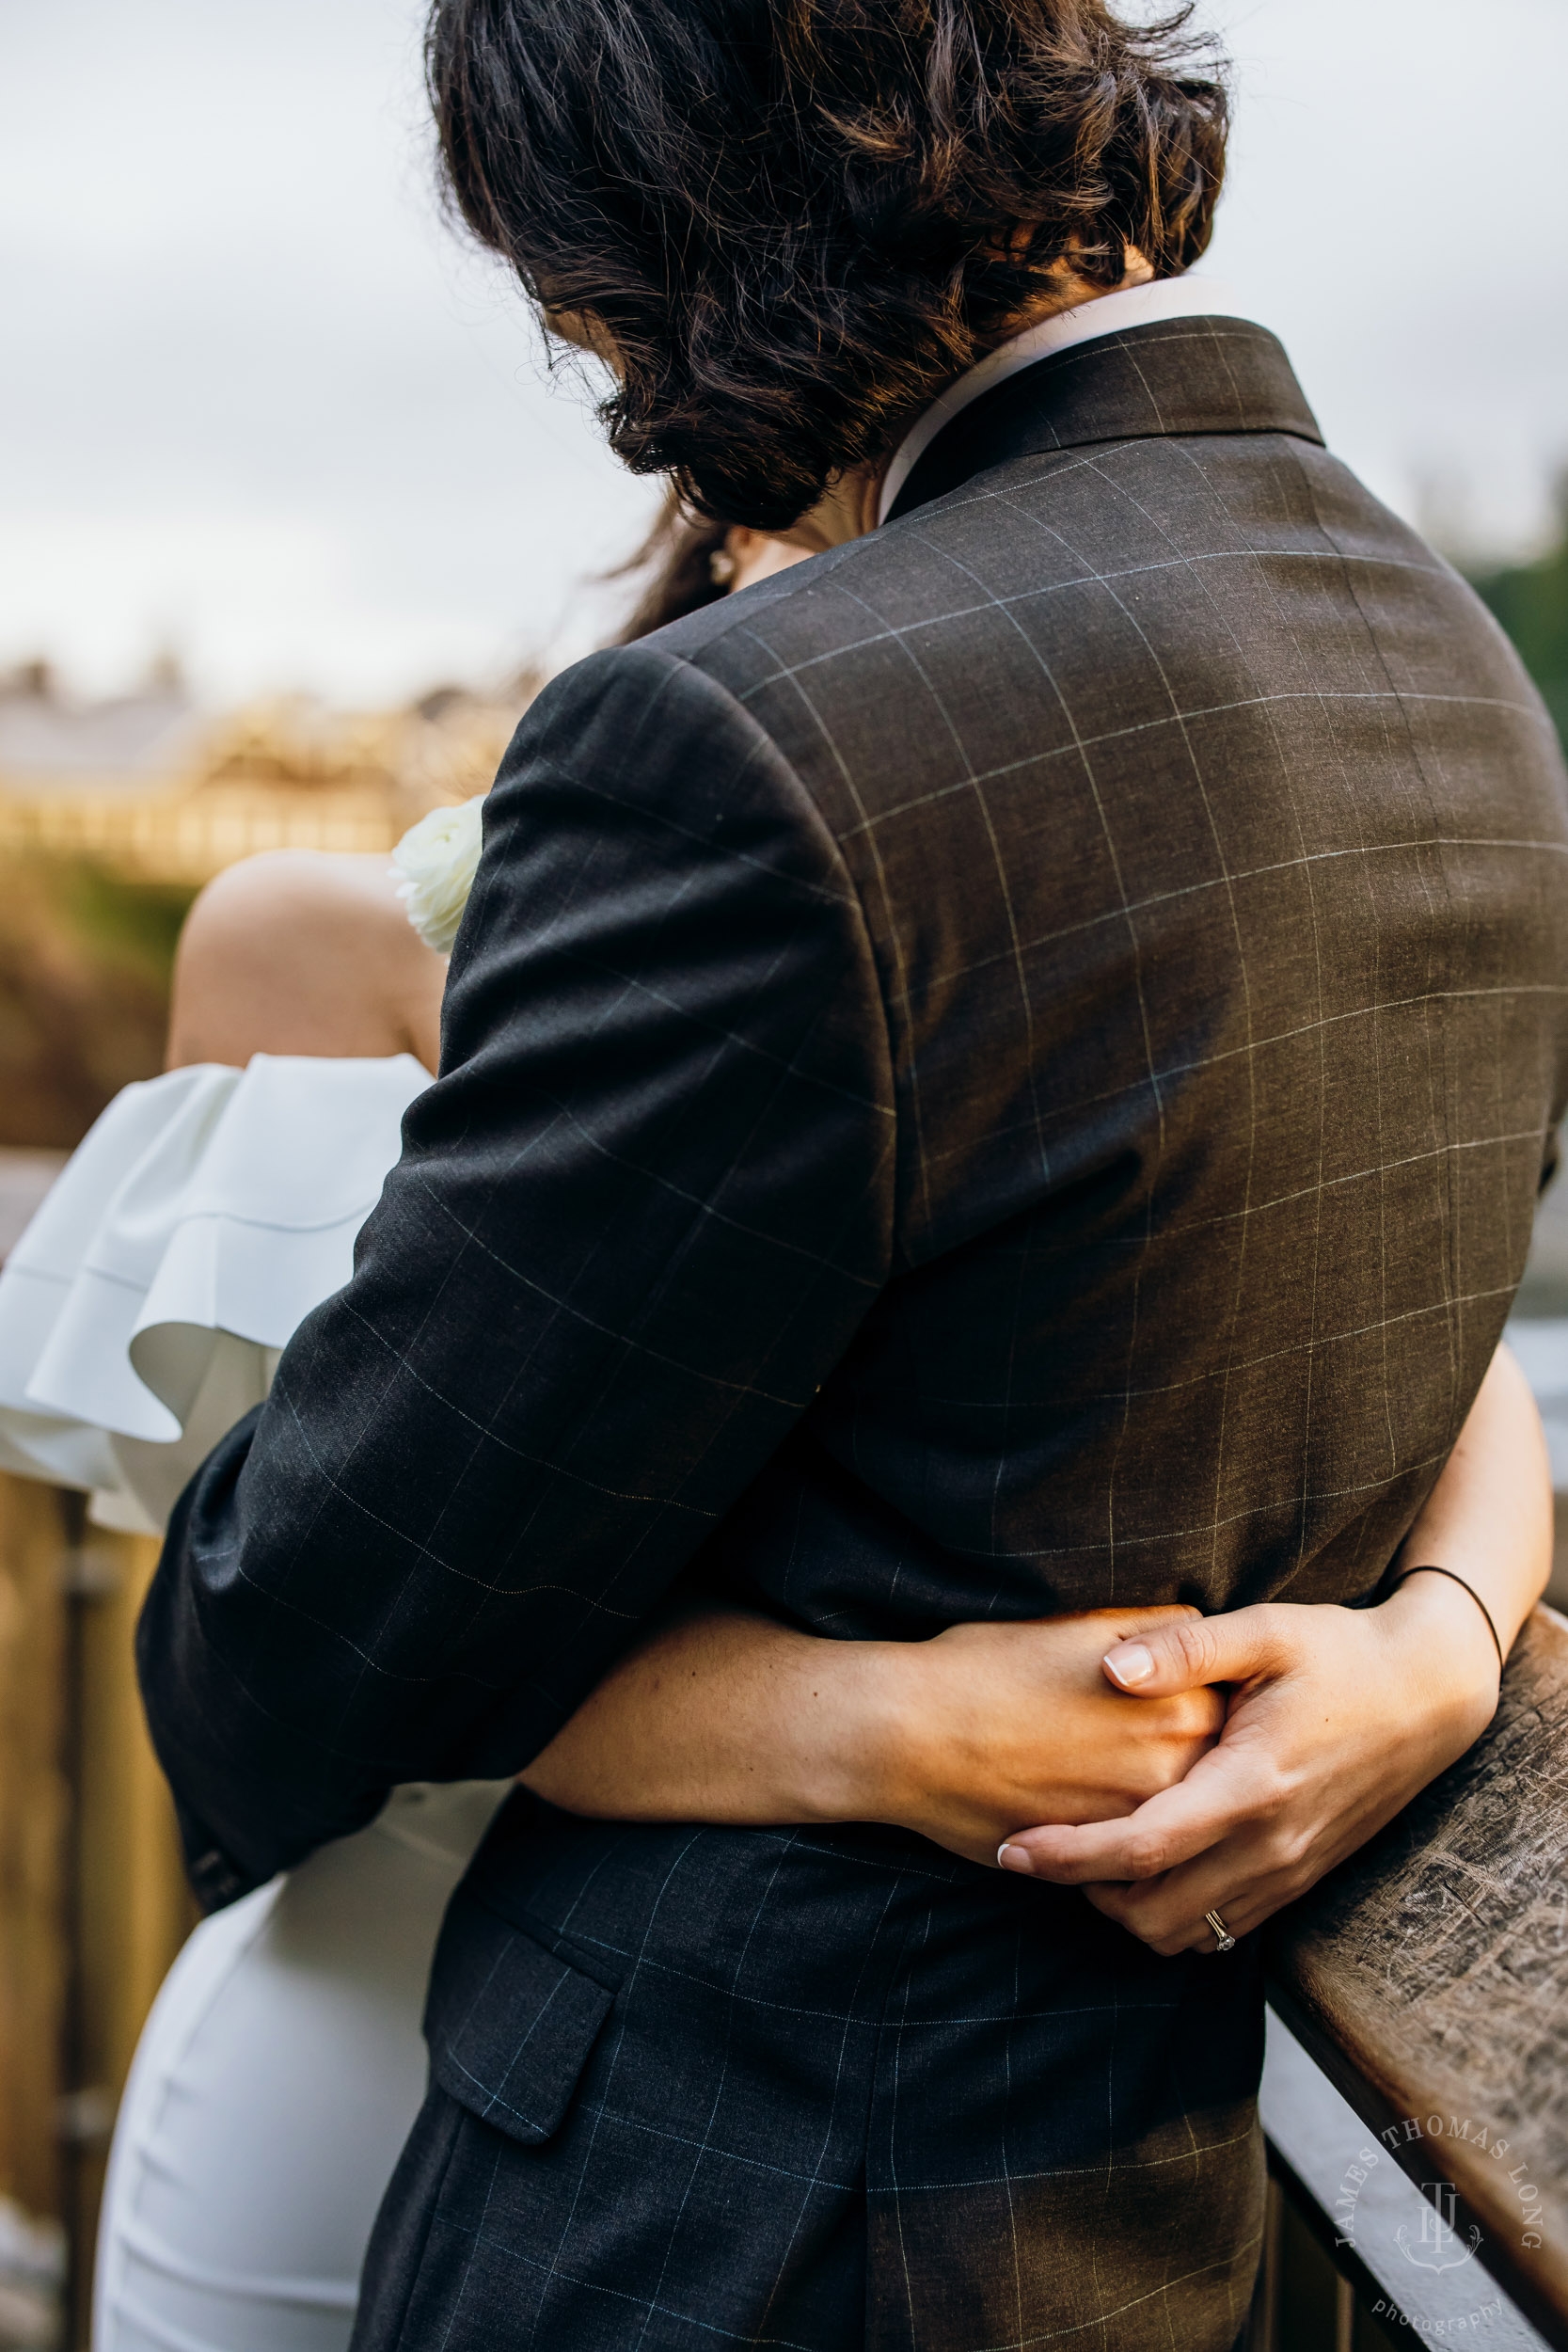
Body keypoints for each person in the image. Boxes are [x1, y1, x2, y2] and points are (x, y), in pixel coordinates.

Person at [124, 1, 1568, 2346]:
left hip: (740, 2213)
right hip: (1190, 2223)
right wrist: (1445, 1635)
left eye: (579, 283)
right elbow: (1415, 1352)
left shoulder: (749, 749)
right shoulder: (1448, 665)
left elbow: (304, 1641)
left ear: (668, 209)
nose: (597, 353)